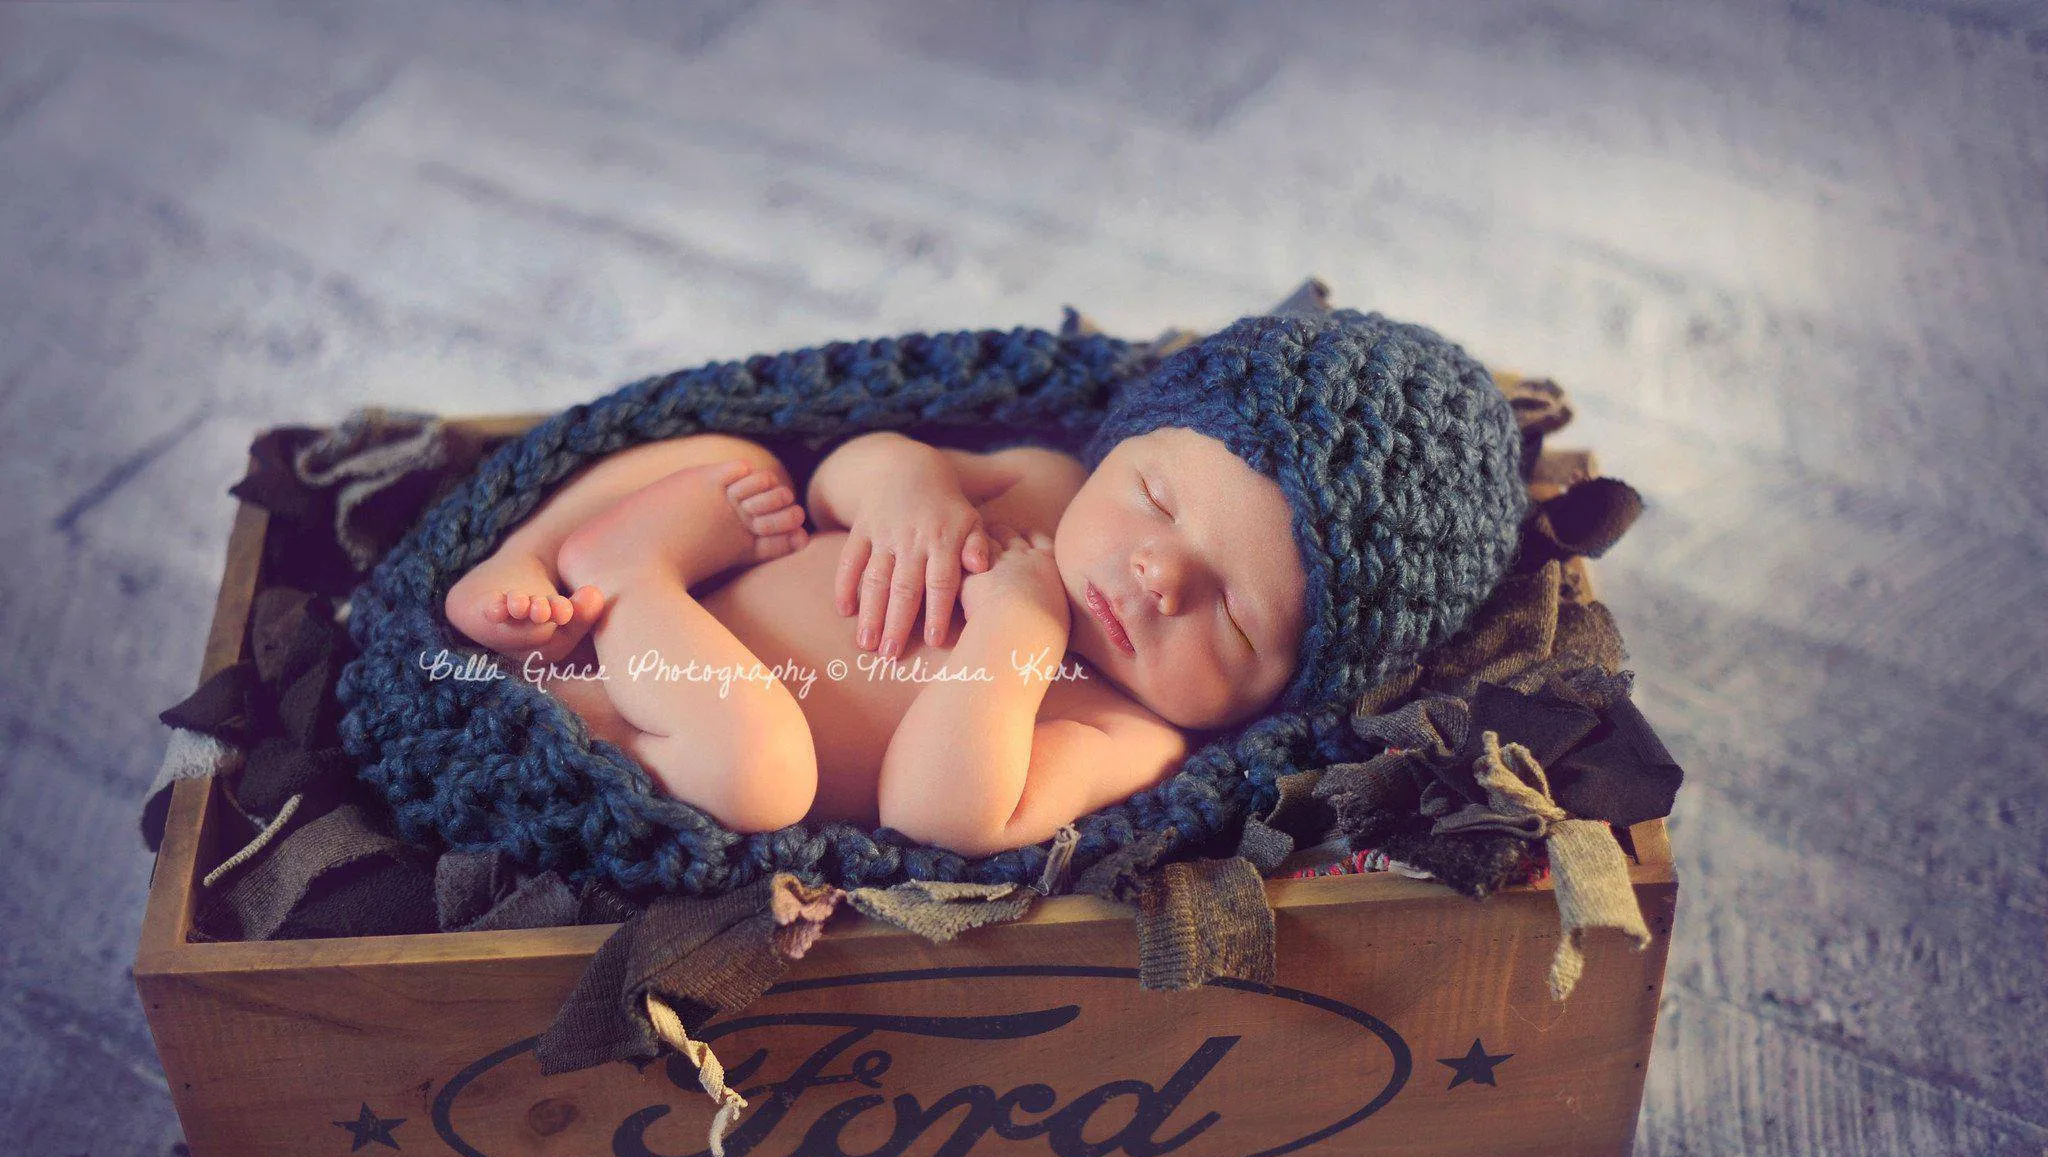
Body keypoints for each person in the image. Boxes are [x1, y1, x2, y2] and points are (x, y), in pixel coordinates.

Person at [441, 309, 1526, 857]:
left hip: (668, 704)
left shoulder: (1127, 732)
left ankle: (624, 595)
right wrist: (911, 488)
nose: (1155, 574)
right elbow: (840, 478)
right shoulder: (1046, 488)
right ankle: (528, 562)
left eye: (1233, 616)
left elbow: (943, 811)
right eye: (1154, 497)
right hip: (632, 612)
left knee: (756, 778)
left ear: (1285, 694)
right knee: (742, 471)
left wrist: (1011, 638)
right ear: (1124, 443)